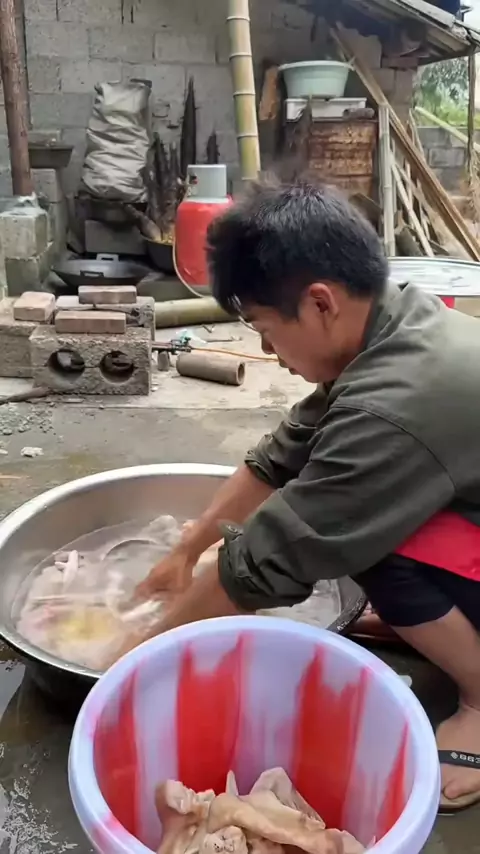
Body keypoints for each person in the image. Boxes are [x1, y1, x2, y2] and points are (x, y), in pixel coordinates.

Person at [135, 177, 480, 813]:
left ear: (320, 303)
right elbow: (281, 456)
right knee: (364, 519)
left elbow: (273, 554)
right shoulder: (390, 323)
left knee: (368, 542)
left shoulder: (394, 403)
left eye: (265, 329)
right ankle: (441, 619)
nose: (267, 351)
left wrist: (129, 660)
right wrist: (185, 552)